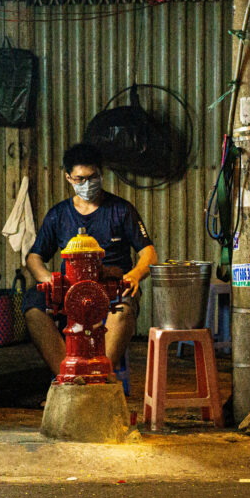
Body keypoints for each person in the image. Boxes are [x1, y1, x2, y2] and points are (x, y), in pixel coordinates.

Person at [22, 143, 158, 375]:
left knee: (123, 309)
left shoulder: (121, 210)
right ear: (68, 177)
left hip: (111, 289)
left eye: (92, 177)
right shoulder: (59, 215)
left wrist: (134, 275)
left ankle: (101, 376)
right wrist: (47, 279)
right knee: (33, 306)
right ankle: (68, 377)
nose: (86, 184)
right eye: (80, 179)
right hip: (70, 291)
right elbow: (34, 256)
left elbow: (149, 253)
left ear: (101, 174)